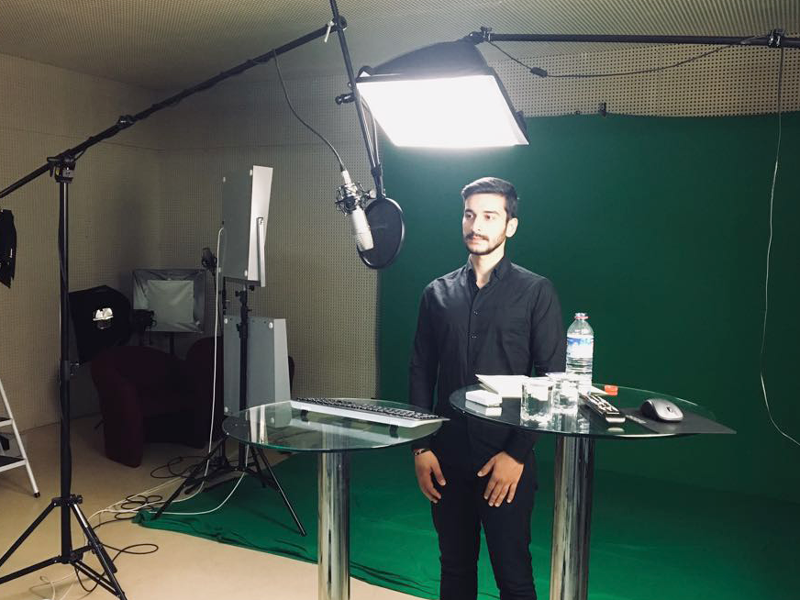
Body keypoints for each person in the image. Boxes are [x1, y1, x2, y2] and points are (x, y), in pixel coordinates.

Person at [409, 177, 566, 600]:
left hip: (506, 459)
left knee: (513, 577)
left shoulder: (536, 292)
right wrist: (421, 448)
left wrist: (517, 454)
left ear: (510, 226)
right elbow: (421, 370)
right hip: (445, 457)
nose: (476, 225)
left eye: (489, 216)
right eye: (469, 214)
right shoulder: (436, 293)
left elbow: (551, 380)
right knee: (454, 569)